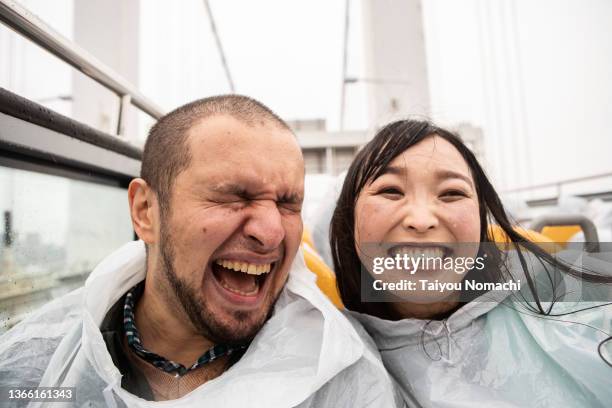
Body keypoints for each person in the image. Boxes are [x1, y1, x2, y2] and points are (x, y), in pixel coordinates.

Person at [0, 95, 397, 407]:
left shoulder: (340, 374)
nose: (272, 232)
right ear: (145, 211)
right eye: (233, 197)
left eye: (288, 203)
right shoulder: (33, 367)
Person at [330, 119, 612, 408]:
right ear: (348, 219)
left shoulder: (576, 309)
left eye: (451, 193)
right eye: (391, 191)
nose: (422, 220)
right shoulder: (327, 366)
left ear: (481, 218)